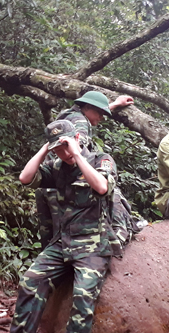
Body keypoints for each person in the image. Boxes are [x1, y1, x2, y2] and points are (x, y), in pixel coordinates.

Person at [11, 120, 119, 333]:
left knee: (82, 297)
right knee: (30, 282)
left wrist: (77, 155)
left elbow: (102, 187)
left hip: (93, 245)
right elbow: (25, 178)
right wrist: (45, 149)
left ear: (77, 139)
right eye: (58, 151)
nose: (64, 154)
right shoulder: (57, 167)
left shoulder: (101, 160)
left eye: (66, 147)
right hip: (64, 243)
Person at [38, 91, 135, 247]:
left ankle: (49, 255)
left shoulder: (69, 114)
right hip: (60, 181)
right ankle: (116, 238)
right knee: (109, 192)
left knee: (49, 233)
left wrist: (114, 105)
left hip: (46, 181)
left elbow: (89, 112)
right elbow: (78, 144)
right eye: (100, 113)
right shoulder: (81, 122)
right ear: (88, 107)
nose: (102, 117)